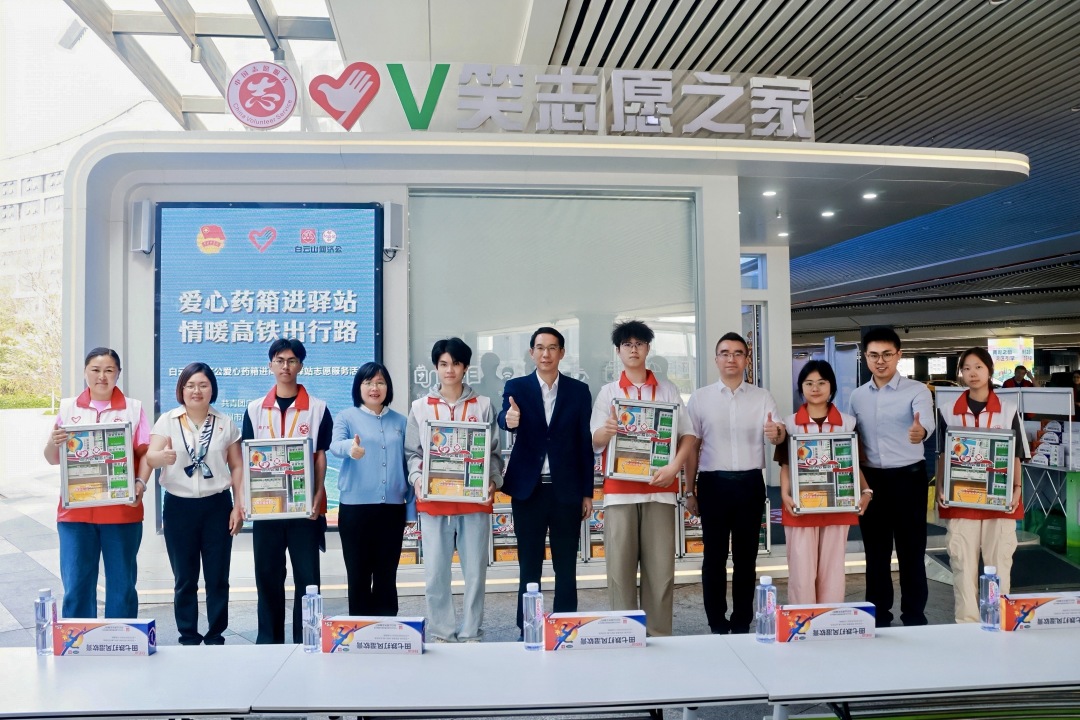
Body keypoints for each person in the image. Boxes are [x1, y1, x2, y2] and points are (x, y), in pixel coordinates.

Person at [589, 320, 694, 636]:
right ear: (618, 351)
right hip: (619, 493)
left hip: (660, 490)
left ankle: (659, 636)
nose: (633, 350)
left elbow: (687, 435)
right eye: (627, 344)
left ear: (648, 348)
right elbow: (593, 441)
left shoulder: (667, 389)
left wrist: (675, 468)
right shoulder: (609, 392)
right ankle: (625, 634)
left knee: (660, 571)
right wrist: (606, 431)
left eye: (639, 344)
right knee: (619, 572)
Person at [684, 332, 786, 634]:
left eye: (738, 353)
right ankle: (716, 622)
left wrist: (776, 434)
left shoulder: (762, 396)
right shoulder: (700, 398)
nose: (731, 358)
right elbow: (692, 447)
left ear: (746, 359)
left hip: (749, 484)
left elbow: (778, 432)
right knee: (713, 558)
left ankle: (742, 622)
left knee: (746, 558)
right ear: (716, 359)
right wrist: (689, 490)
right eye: (725, 353)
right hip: (713, 484)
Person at [405, 338, 503, 642]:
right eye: (444, 364)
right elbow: (412, 453)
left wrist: (493, 480)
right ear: (436, 367)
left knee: (475, 573)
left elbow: (494, 452)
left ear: (466, 367)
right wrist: (417, 478)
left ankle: (472, 632)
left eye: (456, 364)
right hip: (434, 503)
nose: (450, 370)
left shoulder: (483, 405)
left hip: (473, 502)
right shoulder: (420, 407)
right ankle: (442, 631)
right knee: (435, 573)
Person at [498, 327, 594, 638]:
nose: (546, 354)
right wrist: (508, 420)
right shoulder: (517, 387)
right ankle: (529, 628)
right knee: (529, 565)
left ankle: (565, 629)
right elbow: (504, 416)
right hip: (530, 491)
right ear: (531, 353)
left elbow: (584, 443)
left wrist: (587, 492)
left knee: (566, 566)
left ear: (562, 353)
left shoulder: (578, 391)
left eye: (552, 348)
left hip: (566, 491)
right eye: (540, 348)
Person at [43, 347, 151, 619]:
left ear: (118, 374)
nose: (102, 376)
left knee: (122, 587)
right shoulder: (68, 408)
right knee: (76, 588)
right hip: (75, 514)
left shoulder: (134, 409)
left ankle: (122, 638)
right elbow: (52, 458)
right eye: (95, 370)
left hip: (122, 512)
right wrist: (53, 442)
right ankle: (78, 640)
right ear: (85, 372)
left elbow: (145, 455)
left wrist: (140, 483)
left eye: (109, 370)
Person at [144, 363, 244, 645]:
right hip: (179, 507)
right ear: (181, 389)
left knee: (217, 576)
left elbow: (237, 466)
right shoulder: (168, 421)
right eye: (190, 385)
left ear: (212, 389)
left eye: (203, 385)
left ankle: (215, 634)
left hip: (217, 506)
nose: (196, 391)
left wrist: (238, 505)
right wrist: (161, 458)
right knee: (185, 578)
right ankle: (187, 634)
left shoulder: (225, 423)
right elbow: (150, 457)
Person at [242, 338, 332, 644]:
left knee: (308, 579)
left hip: (304, 510)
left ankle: (307, 639)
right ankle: (269, 641)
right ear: (270, 365)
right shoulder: (255, 409)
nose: (285, 366)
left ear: (301, 365)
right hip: (266, 509)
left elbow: (320, 456)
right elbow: (247, 458)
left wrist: (317, 496)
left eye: (292, 361)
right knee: (267, 577)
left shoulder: (318, 408)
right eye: (279, 360)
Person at [847, 327, 935, 627]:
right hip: (872, 482)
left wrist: (920, 431)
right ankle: (878, 616)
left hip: (909, 479)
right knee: (876, 552)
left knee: (912, 551)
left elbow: (925, 421)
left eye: (887, 354)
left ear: (899, 355)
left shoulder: (917, 390)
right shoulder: (857, 396)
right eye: (873, 355)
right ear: (865, 357)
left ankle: (914, 616)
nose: (880, 361)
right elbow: (851, 438)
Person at [937, 347, 1027, 623]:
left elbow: (1016, 455)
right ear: (961, 374)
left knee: (999, 565)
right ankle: (967, 625)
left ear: (989, 371)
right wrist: (941, 487)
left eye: (978, 367)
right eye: (966, 368)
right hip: (961, 500)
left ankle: (997, 623)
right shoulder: (947, 410)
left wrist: (1017, 489)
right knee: (963, 567)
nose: (972, 373)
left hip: (1000, 501)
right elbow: (942, 455)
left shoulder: (1008, 410)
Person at [775, 360, 871, 605]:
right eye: (809, 383)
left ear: (832, 386)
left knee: (833, 571)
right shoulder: (790, 423)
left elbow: (854, 464)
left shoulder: (848, 423)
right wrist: (785, 494)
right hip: (800, 506)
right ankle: (803, 621)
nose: (815, 388)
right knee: (801, 572)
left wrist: (866, 491)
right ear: (801, 388)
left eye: (821, 382)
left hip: (838, 506)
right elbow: (785, 465)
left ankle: (829, 619)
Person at [330, 363, 414, 616]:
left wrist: (410, 510)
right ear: (359, 387)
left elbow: (409, 465)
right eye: (368, 383)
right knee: (358, 574)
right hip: (355, 510)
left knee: (386, 575)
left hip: (392, 510)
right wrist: (350, 448)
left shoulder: (401, 421)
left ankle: (386, 629)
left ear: (388, 387)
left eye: (380, 382)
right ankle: (360, 630)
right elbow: (335, 445)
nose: (374, 388)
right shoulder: (346, 417)